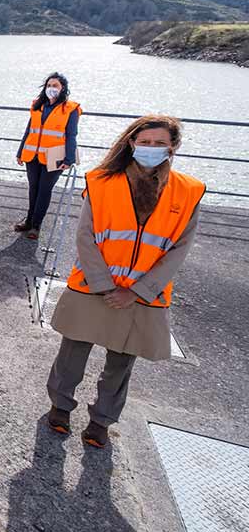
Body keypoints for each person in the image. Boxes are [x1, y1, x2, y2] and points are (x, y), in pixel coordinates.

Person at [46, 115, 203, 448]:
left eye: (160, 143)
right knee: (72, 351)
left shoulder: (188, 192)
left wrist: (136, 291)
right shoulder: (102, 182)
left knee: (120, 364)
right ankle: (60, 406)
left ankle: (101, 421)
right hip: (94, 286)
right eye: (144, 142)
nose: (151, 148)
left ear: (172, 147)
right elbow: (85, 236)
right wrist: (105, 285)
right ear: (131, 143)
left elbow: (178, 250)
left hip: (141, 295)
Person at [15, 73, 81, 239]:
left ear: (63, 88)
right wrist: (20, 151)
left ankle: (36, 226)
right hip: (33, 155)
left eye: (55, 86)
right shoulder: (38, 106)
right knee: (33, 189)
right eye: (49, 85)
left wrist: (69, 159)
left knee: (44, 191)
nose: (51, 88)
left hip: (55, 156)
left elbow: (72, 135)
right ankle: (28, 221)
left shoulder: (70, 109)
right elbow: (29, 130)